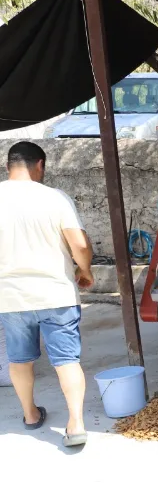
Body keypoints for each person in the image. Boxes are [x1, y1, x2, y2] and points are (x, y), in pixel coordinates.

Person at [0, 142, 93, 447]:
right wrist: (85, 271)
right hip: (56, 293)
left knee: (19, 360)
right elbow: (78, 244)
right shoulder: (54, 198)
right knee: (66, 360)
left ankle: (29, 415)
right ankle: (76, 423)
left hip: (10, 296)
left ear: (8, 165)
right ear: (39, 165)